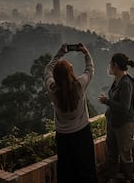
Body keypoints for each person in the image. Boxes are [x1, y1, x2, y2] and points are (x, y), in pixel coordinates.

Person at [43, 43, 98, 183]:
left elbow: (47, 69)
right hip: (82, 133)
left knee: (67, 172)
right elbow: (90, 69)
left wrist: (60, 52)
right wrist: (86, 53)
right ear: (70, 73)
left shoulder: (52, 89)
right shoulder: (79, 85)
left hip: (63, 136)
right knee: (87, 170)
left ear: (56, 76)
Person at [98, 53, 134, 180]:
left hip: (124, 124)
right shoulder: (117, 81)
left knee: (125, 153)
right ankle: (112, 176)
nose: (109, 67)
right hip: (113, 122)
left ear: (115, 65)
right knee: (111, 152)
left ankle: (128, 177)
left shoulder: (126, 83)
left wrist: (107, 101)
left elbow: (124, 107)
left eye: (111, 64)